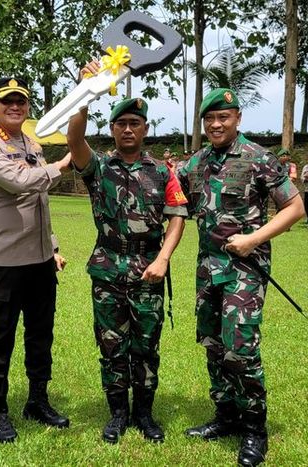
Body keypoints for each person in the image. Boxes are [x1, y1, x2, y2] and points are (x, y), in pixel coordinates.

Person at [176, 88, 304, 467]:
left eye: (224, 117)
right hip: (207, 269)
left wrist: (254, 238)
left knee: (241, 346)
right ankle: (225, 416)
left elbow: (294, 207)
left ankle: (254, 429)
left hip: (245, 270)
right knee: (214, 344)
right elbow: (169, 195)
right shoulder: (196, 163)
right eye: (210, 119)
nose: (216, 124)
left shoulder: (257, 158)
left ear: (237, 118)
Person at [67, 62, 188, 445]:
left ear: (145, 129)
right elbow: (73, 141)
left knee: (146, 346)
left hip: (148, 269)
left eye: (135, 123)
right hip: (107, 267)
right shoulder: (99, 167)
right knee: (111, 345)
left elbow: (177, 217)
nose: (128, 129)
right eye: (121, 123)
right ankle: (118, 412)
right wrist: (85, 93)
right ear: (112, 129)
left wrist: (164, 258)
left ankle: (145, 414)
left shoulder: (163, 172)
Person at [0, 76, 72, 444]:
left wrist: (54, 247)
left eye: (22, 101)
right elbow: (20, 182)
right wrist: (62, 165)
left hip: (41, 260)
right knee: (1, 338)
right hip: (6, 262)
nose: (15, 106)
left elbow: (39, 202)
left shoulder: (32, 143)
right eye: (7, 101)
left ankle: (37, 401)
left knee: (41, 335)